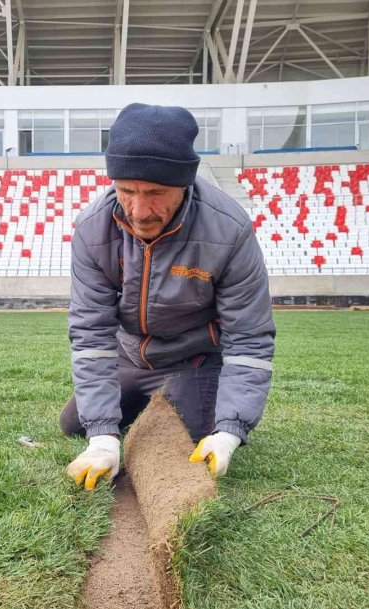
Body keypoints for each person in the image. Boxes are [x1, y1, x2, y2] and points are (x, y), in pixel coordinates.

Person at [60, 102, 275, 490]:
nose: (140, 211)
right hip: (131, 356)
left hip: (193, 360)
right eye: (127, 191)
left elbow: (249, 338)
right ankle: (146, 402)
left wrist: (231, 429)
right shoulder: (92, 230)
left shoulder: (230, 230)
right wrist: (103, 436)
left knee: (189, 434)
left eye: (156, 192)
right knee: (76, 424)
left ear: (184, 184)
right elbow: (91, 335)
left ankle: (181, 397)